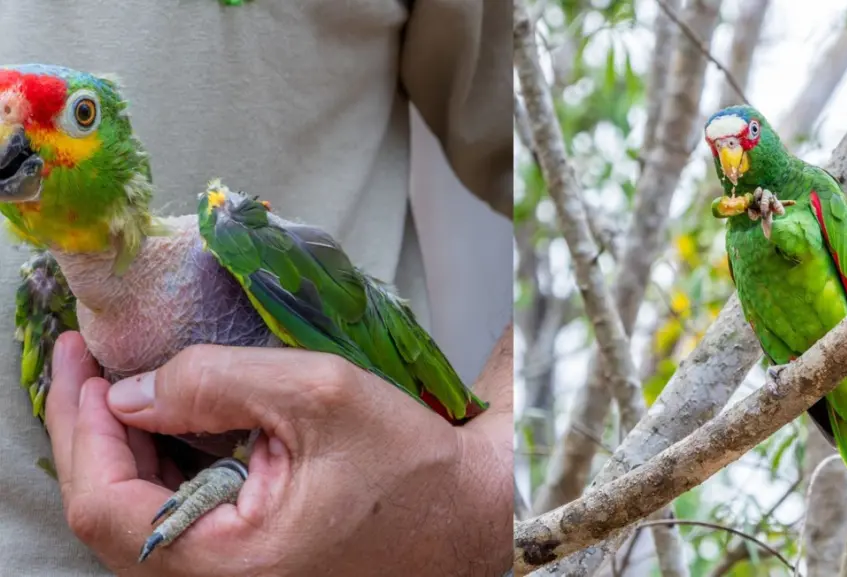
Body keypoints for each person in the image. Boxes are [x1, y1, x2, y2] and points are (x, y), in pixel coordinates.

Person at [0, 1, 513, 575]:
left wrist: (479, 479)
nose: (20, 137)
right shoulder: (51, 302)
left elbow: (529, 143)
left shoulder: (232, 239)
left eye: (82, 115)